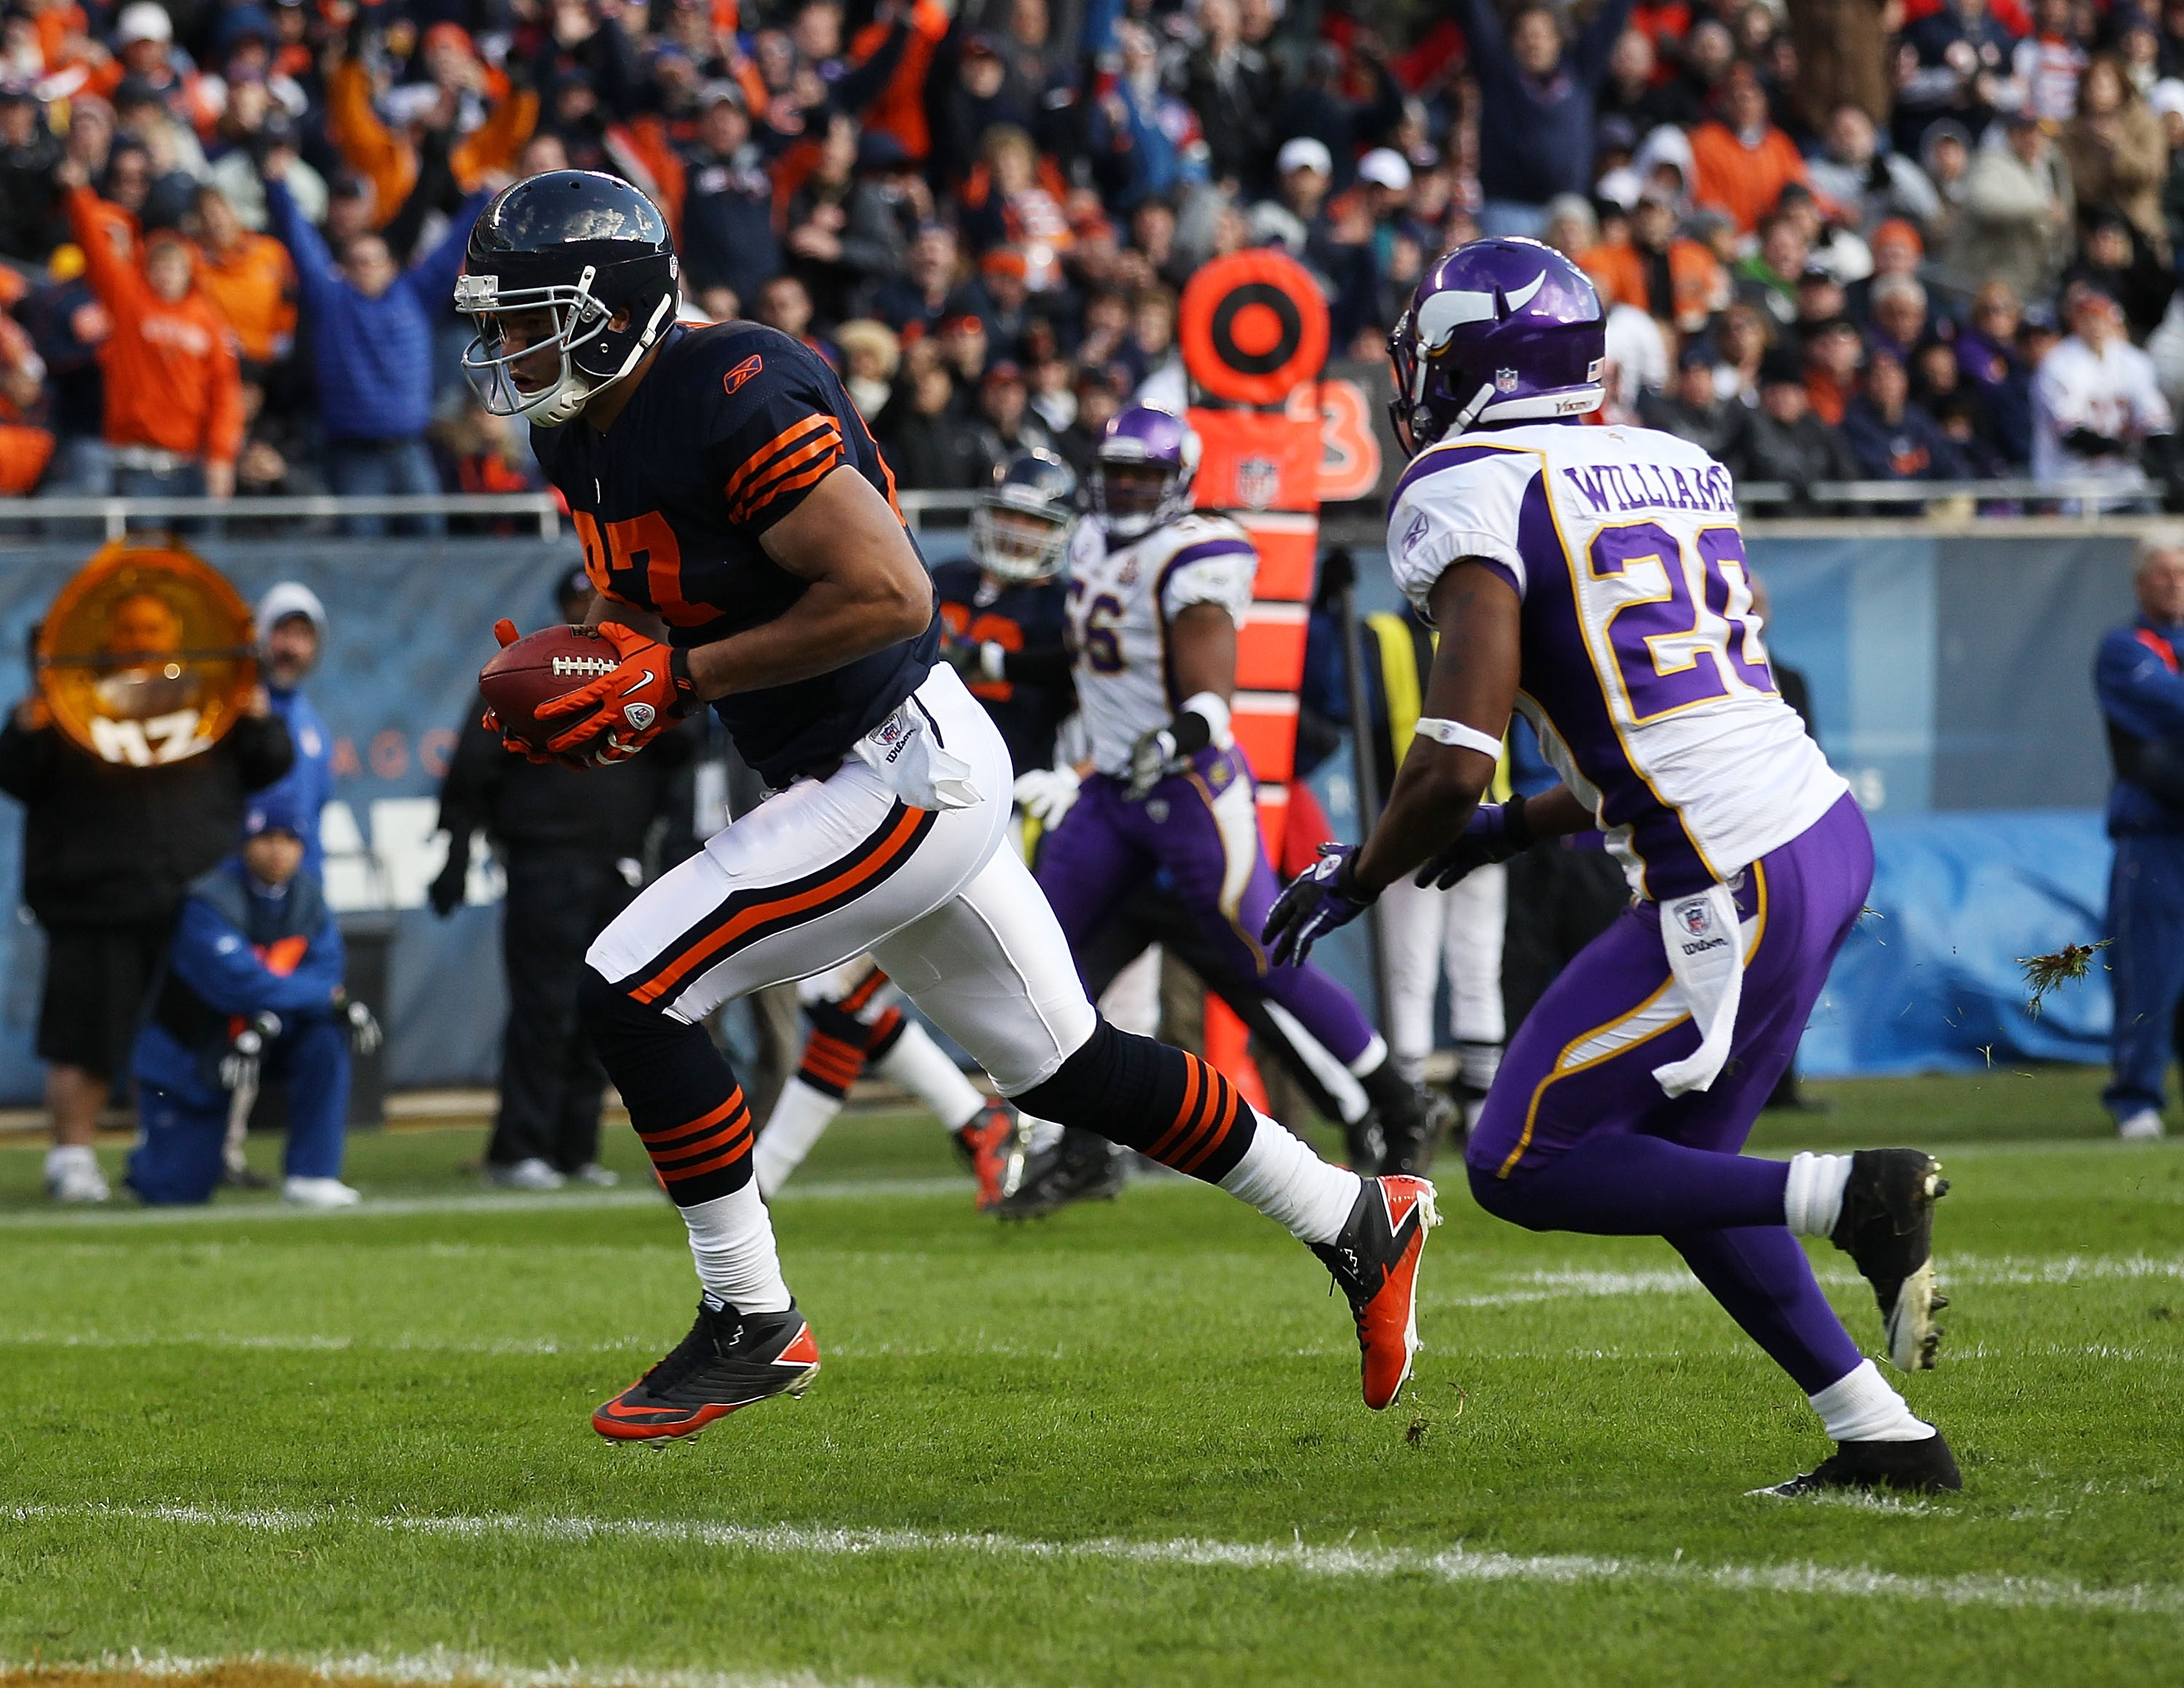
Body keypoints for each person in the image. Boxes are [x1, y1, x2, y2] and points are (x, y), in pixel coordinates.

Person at [451, 172, 1433, 1440]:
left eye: (529, 318)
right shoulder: (578, 428)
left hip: (897, 758)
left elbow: (889, 595)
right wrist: (603, 679)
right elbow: (657, 606)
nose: (508, 350)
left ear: (612, 306)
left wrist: (678, 674)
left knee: (630, 986)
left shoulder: (732, 387)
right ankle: (1359, 1216)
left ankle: (751, 1317)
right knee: (1064, 1064)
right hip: (854, 766)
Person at [1264, 239, 1961, 1497]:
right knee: (1682, 1160)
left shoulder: (1466, 486)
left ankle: (1861, 1195)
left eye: (1429, 357)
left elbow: (1453, 751)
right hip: (1812, 826)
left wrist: (1364, 868)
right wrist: (1506, 834)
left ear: (1478, 361)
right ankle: (1883, 1433)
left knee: (1524, 1156)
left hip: (1726, 874)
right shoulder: (1675, 459)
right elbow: (1650, 720)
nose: (1412, 384)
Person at [1012, 404, 1447, 1211]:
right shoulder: (1088, 541)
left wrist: (1176, 736)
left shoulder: (1195, 552)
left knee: (1263, 948)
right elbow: (1087, 659)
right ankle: (1084, 1146)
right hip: (1112, 791)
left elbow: (1213, 696)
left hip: (1189, 788)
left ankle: (1397, 1097)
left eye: (1145, 475)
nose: (1129, 489)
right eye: (1118, 474)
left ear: (1177, 481)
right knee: (1042, 957)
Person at [0, 600, 293, 1204]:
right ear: (108, 637)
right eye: (129, 626)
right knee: (86, 1037)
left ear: (178, 636)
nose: (141, 639)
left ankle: (188, 1152)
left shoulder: (214, 695)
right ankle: (72, 1157)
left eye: (154, 628)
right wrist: (29, 726)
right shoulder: (63, 697)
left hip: (195, 896)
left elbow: (271, 765)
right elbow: (14, 776)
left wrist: (259, 718)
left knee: (196, 1037)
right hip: (95, 898)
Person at [430, 564, 694, 1191]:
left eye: (596, 598)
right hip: (545, 861)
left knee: (605, 1010)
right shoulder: (531, 669)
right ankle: (521, 1147)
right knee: (544, 1009)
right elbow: (475, 763)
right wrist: (457, 849)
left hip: (620, 864)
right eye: (580, 600)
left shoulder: (643, 669)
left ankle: (576, 1146)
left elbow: (681, 758)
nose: (590, 612)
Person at [127, 794, 374, 1207]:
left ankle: (312, 1174)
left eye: (289, 839)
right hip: (198, 1046)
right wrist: (326, 999)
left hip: (269, 1036)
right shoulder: (208, 901)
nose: (278, 849)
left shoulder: (309, 900)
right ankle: (148, 1164)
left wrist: (275, 1019)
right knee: (174, 1191)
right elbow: (238, 985)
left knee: (326, 1037)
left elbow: (328, 969)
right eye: (266, 837)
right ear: (244, 842)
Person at [264, 152, 487, 537]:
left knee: (431, 535)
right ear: (344, 267)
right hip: (354, 451)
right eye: (356, 262)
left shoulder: (414, 293)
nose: (364, 268)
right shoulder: (332, 299)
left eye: (373, 261)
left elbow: (452, 247)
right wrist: (278, 187)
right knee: (362, 543)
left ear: (391, 265)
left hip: (409, 446)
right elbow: (299, 240)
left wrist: (484, 197)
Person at [2094, 531, 2184, 1142]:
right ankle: (2136, 1100)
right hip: (2153, 836)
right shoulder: (2125, 649)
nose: (2174, 583)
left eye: (2182, 573)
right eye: (2163, 573)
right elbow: (2165, 704)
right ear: (2139, 582)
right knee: (2149, 969)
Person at [2032, 285, 2174, 492]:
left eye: (2100, 318)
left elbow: (2156, 422)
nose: (2095, 326)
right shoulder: (2057, 364)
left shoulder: (2132, 361)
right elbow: (2072, 435)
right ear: (2076, 323)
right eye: (2088, 319)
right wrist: (2124, 449)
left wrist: (2167, 459)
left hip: (2125, 479)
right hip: (2070, 479)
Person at [253, 583, 333, 880]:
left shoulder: (314, 728)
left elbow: (314, 818)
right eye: (282, 632)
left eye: (302, 636)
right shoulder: (234, 711)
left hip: (299, 893)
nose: (290, 647)